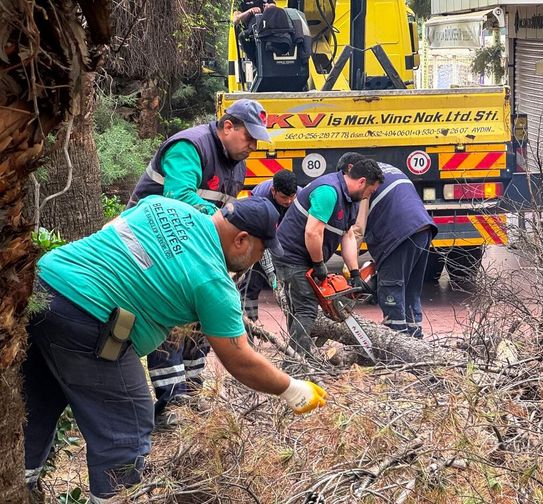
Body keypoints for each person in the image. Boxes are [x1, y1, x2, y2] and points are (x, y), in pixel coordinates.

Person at [23, 195, 327, 502]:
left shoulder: (164, 205)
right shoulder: (213, 282)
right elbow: (241, 361)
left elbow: (112, 230)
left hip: (42, 285)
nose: (257, 261)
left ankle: (18, 486)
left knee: (37, 403)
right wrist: (292, 389)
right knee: (129, 422)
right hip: (87, 316)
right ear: (241, 240)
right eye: (260, 252)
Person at [127, 98, 270, 425]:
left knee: (199, 326)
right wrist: (224, 223)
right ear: (228, 126)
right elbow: (179, 198)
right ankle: (171, 404)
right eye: (249, 137)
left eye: (257, 141)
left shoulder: (237, 164)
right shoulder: (189, 147)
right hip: (154, 245)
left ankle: (191, 393)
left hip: (189, 247)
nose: (253, 146)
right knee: (171, 325)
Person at [274, 158, 384, 358]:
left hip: (306, 256)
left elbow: (348, 235)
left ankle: (300, 356)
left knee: (300, 308)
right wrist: (319, 264)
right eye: (371, 190)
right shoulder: (328, 191)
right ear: (361, 182)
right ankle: (295, 365)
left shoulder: (352, 200)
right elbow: (312, 232)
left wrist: (355, 273)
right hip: (291, 255)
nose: (371, 194)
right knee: (306, 308)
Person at [342, 154, 438, 338]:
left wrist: (350, 266)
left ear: (351, 168)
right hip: (423, 228)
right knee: (410, 289)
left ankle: (397, 342)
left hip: (399, 234)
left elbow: (358, 229)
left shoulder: (365, 181)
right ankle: (416, 338)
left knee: (390, 288)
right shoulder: (387, 168)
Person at [239, 169, 299, 321]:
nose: (289, 201)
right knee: (251, 284)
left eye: (292, 196)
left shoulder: (300, 196)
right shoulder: (260, 200)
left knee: (293, 288)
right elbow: (261, 240)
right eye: (284, 197)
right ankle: (250, 328)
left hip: (285, 239)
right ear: (273, 191)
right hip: (256, 239)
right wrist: (272, 274)